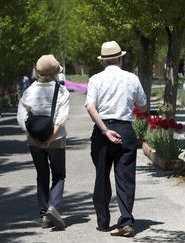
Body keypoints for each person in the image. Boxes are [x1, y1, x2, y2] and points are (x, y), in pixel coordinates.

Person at [85, 41, 147, 237]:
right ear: (121, 58)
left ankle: (103, 221)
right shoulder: (132, 78)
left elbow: (90, 106)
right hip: (125, 129)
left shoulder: (95, 79)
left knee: (101, 175)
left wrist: (104, 130)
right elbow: (143, 105)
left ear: (103, 61)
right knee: (125, 177)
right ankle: (126, 220)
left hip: (103, 132)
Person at [17, 54, 70, 230]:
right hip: (56, 140)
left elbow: (21, 118)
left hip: (34, 141)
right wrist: (50, 138)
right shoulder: (61, 91)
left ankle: (43, 214)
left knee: (42, 175)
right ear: (55, 73)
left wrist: (34, 138)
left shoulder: (29, 91)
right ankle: (53, 207)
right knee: (59, 175)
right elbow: (61, 119)